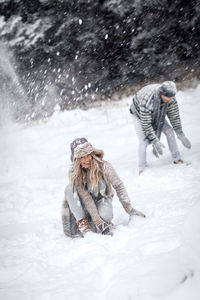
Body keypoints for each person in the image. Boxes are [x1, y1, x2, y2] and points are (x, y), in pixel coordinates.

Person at [62, 138, 145, 238]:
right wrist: (98, 222)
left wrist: (129, 208)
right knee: (69, 189)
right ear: (76, 159)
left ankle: (96, 222)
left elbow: (119, 186)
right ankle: (84, 225)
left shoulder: (104, 166)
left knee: (105, 215)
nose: (87, 160)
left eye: (88, 155)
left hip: (101, 200)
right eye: (82, 157)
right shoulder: (74, 173)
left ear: (92, 153)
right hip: (82, 204)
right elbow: (86, 198)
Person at [129, 81, 191, 175]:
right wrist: (154, 140)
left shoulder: (170, 98)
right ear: (161, 94)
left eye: (172, 97)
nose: (171, 99)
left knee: (169, 131)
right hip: (138, 115)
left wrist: (180, 133)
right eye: (168, 97)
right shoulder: (147, 100)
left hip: (158, 112)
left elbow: (174, 116)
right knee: (143, 141)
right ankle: (142, 167)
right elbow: (146, 124)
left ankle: (177, 158)